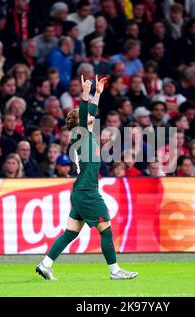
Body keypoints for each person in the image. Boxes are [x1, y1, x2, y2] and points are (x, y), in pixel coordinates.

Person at [36, 75, 137, 281]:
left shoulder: (86, 136)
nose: (92, 117)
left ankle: (45, 265)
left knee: (71, 233)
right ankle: (115, 271)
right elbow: (85, 113)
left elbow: (89, 112)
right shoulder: (78, 136)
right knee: (106, 230)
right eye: (86, 117)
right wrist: (84, 95)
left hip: (81, 192)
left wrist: (98, 93)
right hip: (87, 193)